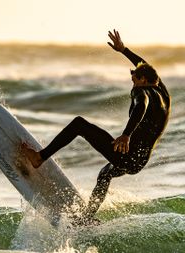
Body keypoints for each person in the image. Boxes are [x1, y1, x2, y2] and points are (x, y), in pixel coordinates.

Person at [21, 29, 171, 224]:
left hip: (128, 155)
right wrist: (124, 50)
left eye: (134, 77)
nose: (132, 80)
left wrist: (126, 135)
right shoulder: (163, 94)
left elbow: (141, 107)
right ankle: (87, 218)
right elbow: (143, 65)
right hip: (139, 161)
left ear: (143, 80)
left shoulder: (141, 92)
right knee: (105, 174)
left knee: (79, 124)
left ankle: (39, 157)